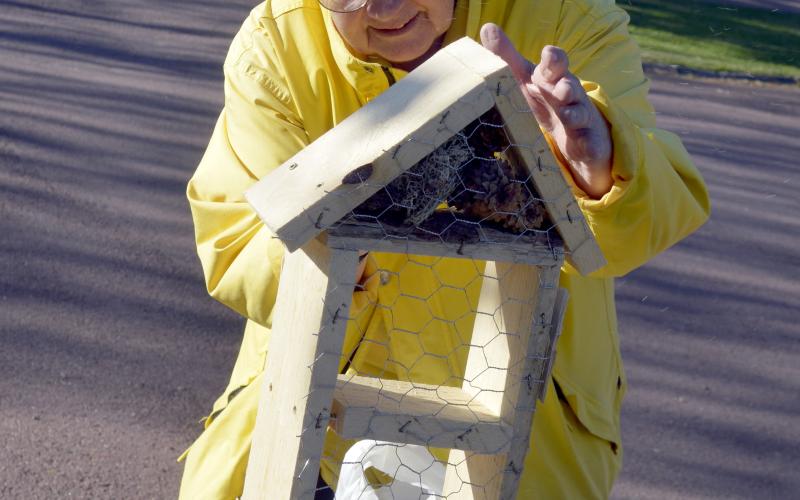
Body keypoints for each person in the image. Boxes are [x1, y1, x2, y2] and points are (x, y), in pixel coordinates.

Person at [180, 0, 710, 498]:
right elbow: (238, 242)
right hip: (308, 430)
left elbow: (642, 226)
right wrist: (349, 224)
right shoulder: (277, 37)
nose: (384, 9)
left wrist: (599, 166)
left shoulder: (566, 15)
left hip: (522, 439)